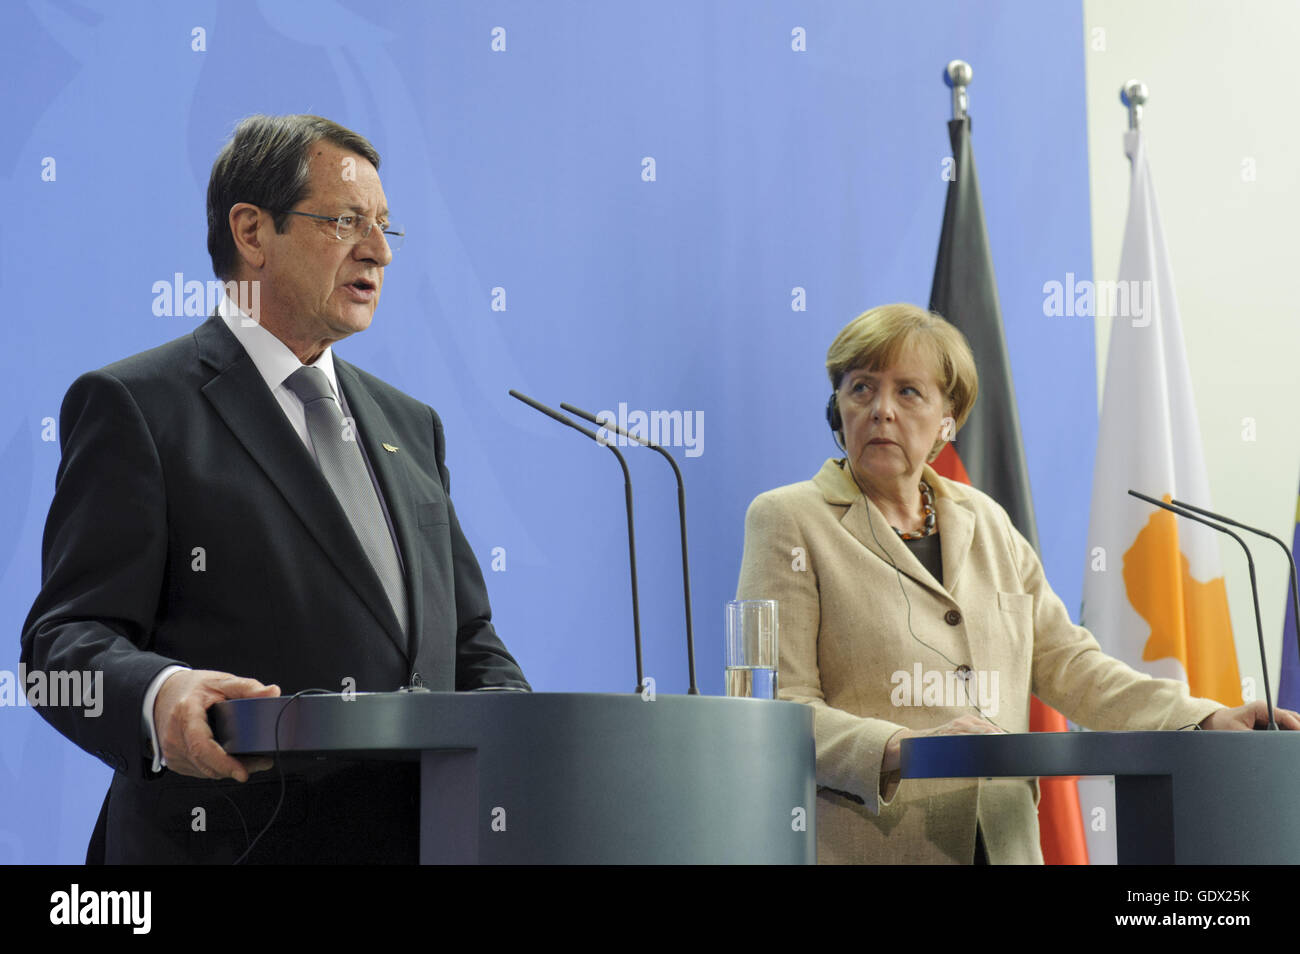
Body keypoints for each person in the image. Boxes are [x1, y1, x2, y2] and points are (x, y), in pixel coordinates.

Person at [20, 114, 529, 864]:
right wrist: (163, 698)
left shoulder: (409, 423)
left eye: (385, 226)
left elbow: (469, 645)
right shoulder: (138, 405)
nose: (380, 252)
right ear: (253, 233)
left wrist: (522, 743)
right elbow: (62, 645)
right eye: (346, 221)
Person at [735, 302, 1298, 864]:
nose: (881, 410)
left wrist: (1203, 717)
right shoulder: (790, 519)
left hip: (1004, 845)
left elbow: (1070, 664)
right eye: (861, 389)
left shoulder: (986, 521)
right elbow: (779, 706)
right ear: (837, 410)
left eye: (908, 392)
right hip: (876, 846)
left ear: (947, 420)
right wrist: (898, 748)